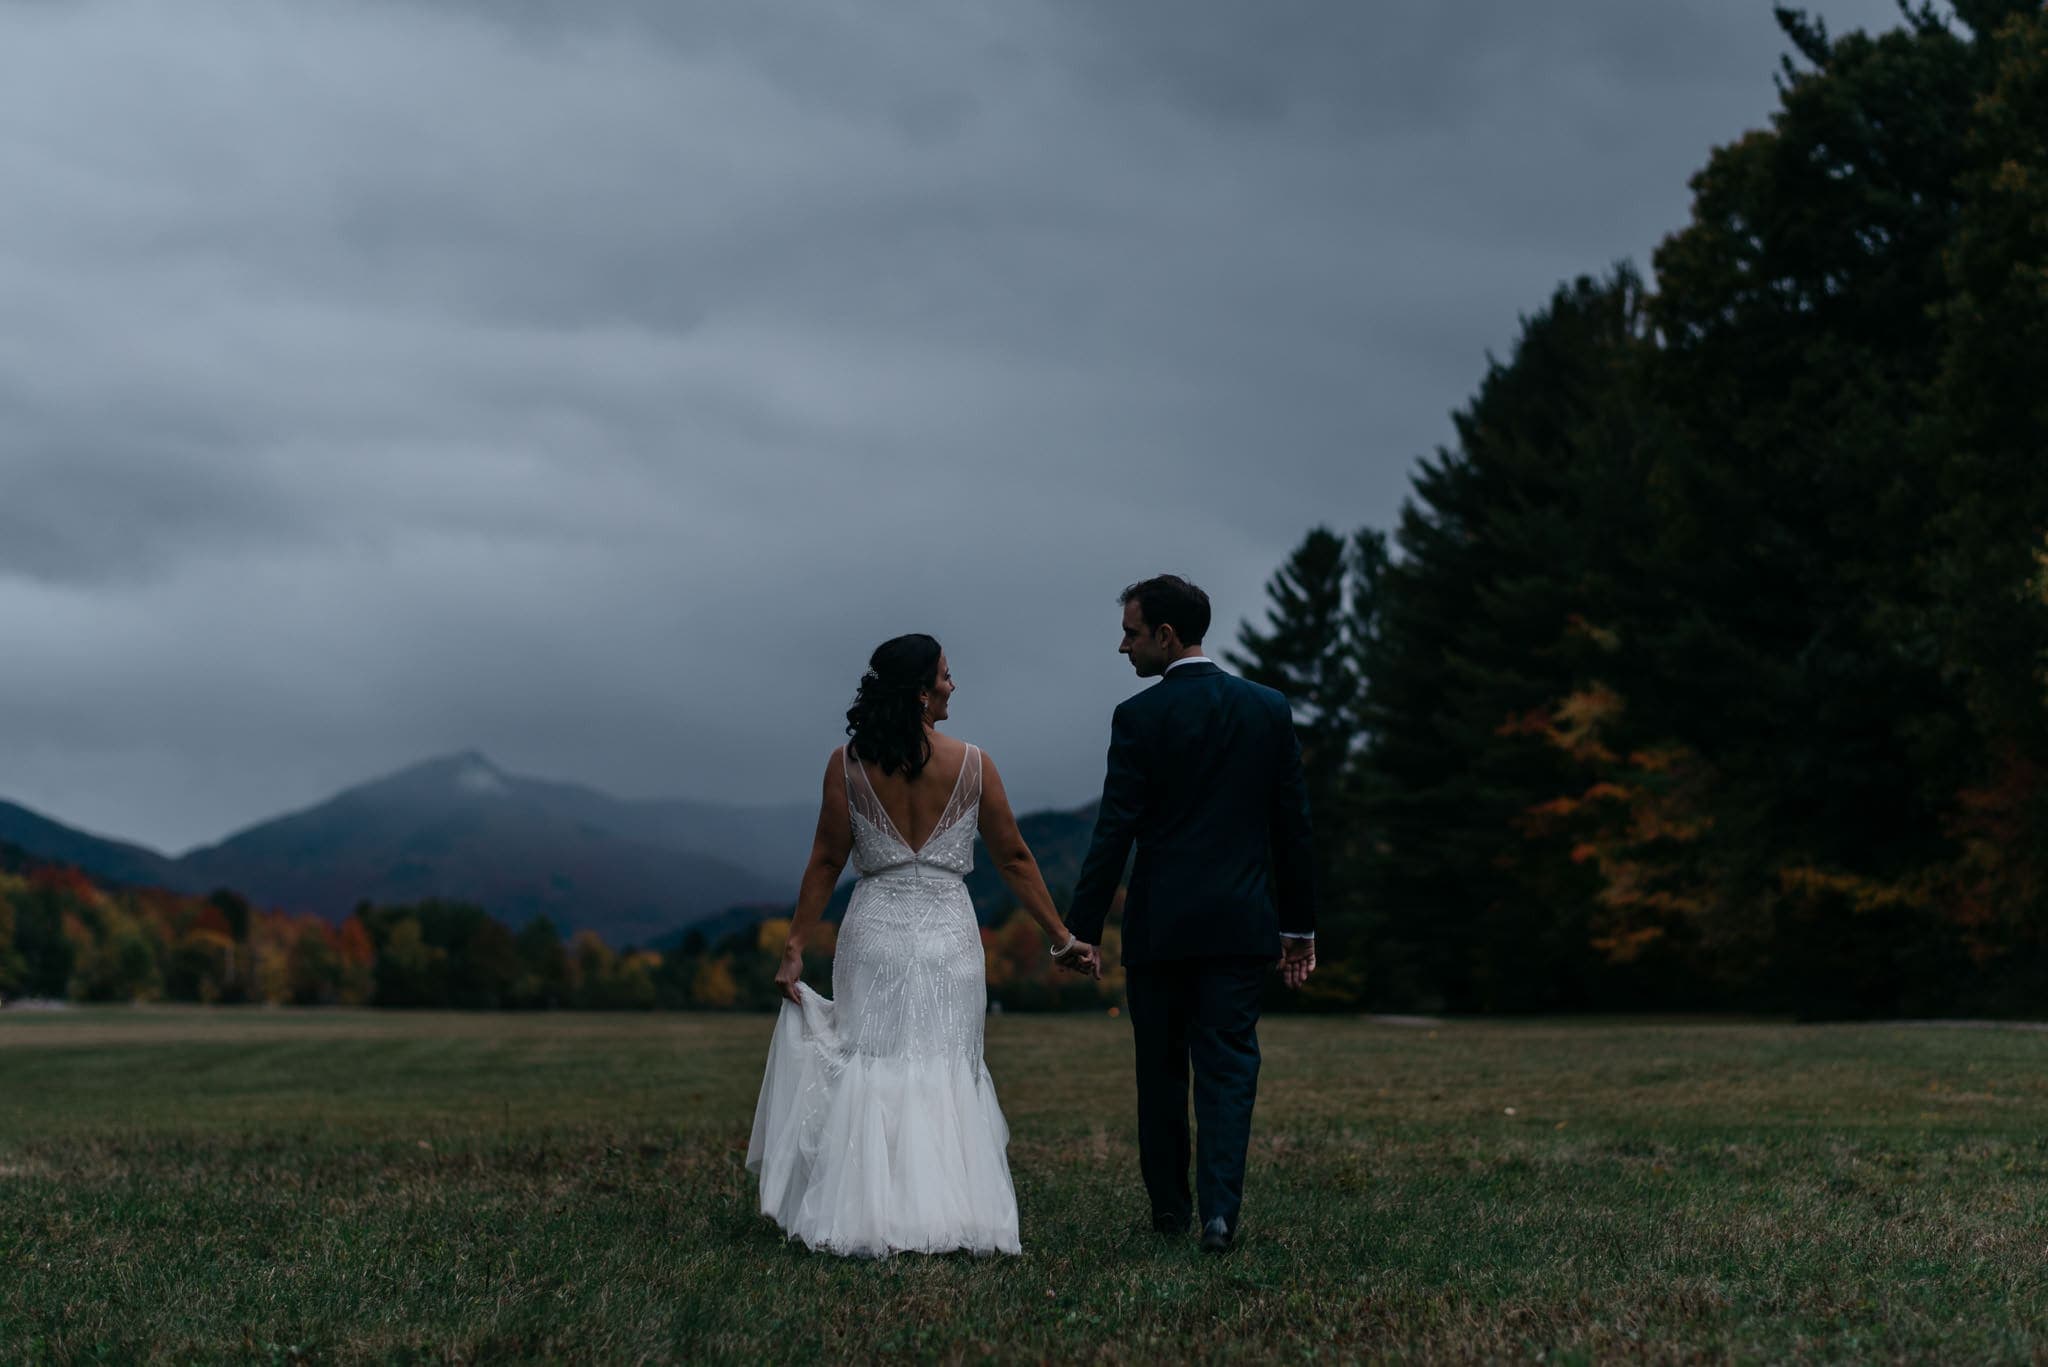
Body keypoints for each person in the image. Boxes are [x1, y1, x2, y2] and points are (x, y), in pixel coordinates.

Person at [745, 633, 1093, 1257]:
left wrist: (795, 944)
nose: (953, 686)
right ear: (920, 690)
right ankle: (953, 1213)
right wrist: (1061, 939)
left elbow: (827, 859)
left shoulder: (847, 764)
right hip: (948, 938)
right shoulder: (974, 763)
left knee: (875, 1063)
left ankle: (866, 1212)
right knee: (941, 1065)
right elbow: (1013, 858)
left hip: (874, 929)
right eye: (945, 675)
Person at [1062, 574, 1317, 1254]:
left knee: (1161, 1071)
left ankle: (1172, 1211)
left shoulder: (1139, 717)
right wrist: (1299, 929)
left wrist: (1081, 930)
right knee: (1230, 1067)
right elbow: (1293, 828)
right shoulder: (1267, 708)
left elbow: (1114, 831)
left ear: (1167, 636)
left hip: (1162, 928)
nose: (1124, 646)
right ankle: (1220, 1215)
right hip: (1241, 926)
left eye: (1132, 632)